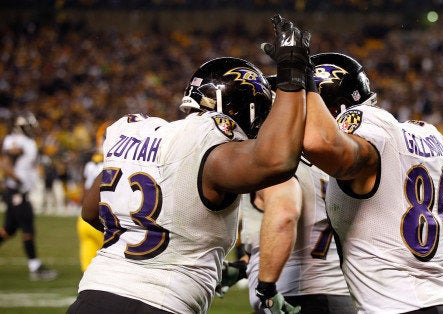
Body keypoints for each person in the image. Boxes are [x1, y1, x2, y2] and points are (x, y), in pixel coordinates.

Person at [67, 15, 311, 314]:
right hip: (161, 304)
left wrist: (168, 244)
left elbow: (92, 211)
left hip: (93, 295)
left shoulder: (139, 132)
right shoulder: (211, 144)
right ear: (246, 110)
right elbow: (278, 161)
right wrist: (292, 72)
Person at [301, 51, 443, 313]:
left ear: (336, 109)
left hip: (396, 307)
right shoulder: (424, 137)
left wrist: (298, 76)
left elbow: (319, 142)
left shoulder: (365, 130)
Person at [231, 157, 354, 314]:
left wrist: (266, 288)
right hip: (337, 295)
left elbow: (284, 218)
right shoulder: (331, 165)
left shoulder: (281, 165)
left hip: (293, 297)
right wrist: (244, 267)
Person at [0, 113, 58, 281]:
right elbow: (6, 163)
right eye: (30, 127)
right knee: (27, 226)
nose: (33, 130)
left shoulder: (25, 142)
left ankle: (35, 265)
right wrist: (17, 180)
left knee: (8, 230)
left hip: (16, 190)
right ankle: (35, 266)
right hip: (17, 192)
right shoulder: (18, 142)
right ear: (23, 127)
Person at [76, 122, 109, 272]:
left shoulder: (90, 159)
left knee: (88, 274)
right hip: (103, 220)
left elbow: (84, 192)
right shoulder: (115, 158)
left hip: (84, 219)